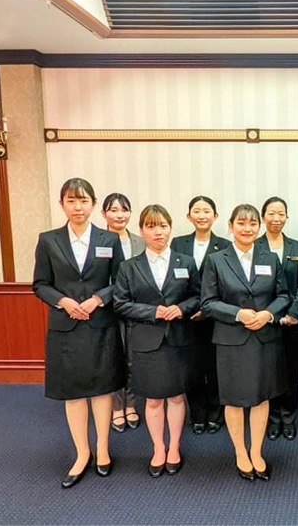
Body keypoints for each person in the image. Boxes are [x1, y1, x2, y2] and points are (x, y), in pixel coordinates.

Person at [32, 178, 125, 488]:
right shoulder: (48, 240)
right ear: (62, 205)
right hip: (66, 326)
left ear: (93, 204)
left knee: (101, 390)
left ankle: (102, 450)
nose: (78, 207)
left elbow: (120, 282)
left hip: (99, 324)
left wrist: (98, 299)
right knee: (73, 393)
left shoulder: (109, 240)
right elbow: (40, 284)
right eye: (71, 201)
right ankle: (81, 453)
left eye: (84, 201)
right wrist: (64, 301)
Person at [200, 204, 289, 482]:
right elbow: (208, 303)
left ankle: (257, 450)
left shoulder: (270, 258)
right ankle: (240, 451)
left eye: (252, 224)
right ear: (230, 225)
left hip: (264, 338)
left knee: (261, 396)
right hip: (231, 340)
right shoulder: (217, 260)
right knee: (235, 399)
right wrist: (238, 313)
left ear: (259, 227)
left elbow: (284, 295)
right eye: (241, 223)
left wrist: (268, 313)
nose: (247, 228)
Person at [114, 205, 201, 478]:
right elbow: (120, 303)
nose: (158, 232)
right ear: (142, 231)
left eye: (163, 226)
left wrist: (182, 308)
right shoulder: (129, 267)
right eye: (151, 226)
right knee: (152, 400)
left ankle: (174, 446)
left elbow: (198, 296)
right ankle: (158, 448)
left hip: (178, 339)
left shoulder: (185, 262)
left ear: (170, 228)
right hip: (146, 340)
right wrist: (151, 312)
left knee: (176, 396)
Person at [170, 196, 231, 435]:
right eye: (197, 211)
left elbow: (228, 284)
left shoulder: (225, 245)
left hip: (215, 318)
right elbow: (173, 282)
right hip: (186, 317)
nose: (202, 215)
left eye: (207, 211)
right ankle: (197, 414)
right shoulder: (178, 243)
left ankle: (216, 413)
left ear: (215, 216)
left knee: (216, 368)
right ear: (189, 216)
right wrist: (187, 308)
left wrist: (206, 308)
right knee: (192, 368)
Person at [256, 197, 298, 442]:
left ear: (287, 217)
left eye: (281, 214)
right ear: (263, 216)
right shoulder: (254, 247)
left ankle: (288, 416)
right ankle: (272, 417)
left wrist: (295, 313)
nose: (276, 218)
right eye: (271, 213)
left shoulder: (296, 247)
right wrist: (267, 314)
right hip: (264, 320)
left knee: (290, 369)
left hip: (294, 320)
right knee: (268, 370)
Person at [101, 192, 146, 433]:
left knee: (133, 358)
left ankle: (131, 403)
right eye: (114, 210)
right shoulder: (99, 241)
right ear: (104, 213)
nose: (120, 215)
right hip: (108, 309)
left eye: (124, 210)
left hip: (136, 309)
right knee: (114, 358)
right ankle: (117, 407)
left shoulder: (140, 241)